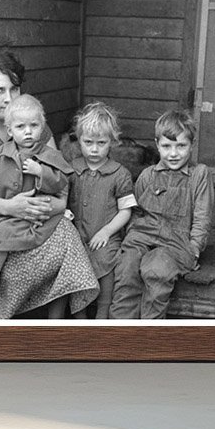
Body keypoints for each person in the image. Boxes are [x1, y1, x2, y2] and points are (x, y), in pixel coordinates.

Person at [0, 49, 98, 319]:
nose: (9, 98)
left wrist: (56, 205)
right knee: (11, 263)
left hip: (35, 210)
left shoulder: (33, 126)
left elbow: (55, 175)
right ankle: (4, 318)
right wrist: (10, 207)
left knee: (67, 235)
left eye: (14, 89)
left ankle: (67, 320)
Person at [0, 94, 74, 302]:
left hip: (29, 215)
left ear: (42, 127)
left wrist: (41, 172)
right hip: (4, 209)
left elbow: (61, 183)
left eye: (34, 126)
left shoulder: (49, 156)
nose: (28, 132)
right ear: (10, 130)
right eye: (20, 127)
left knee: (2, 232)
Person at [109, 109, 215, 320]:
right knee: (126, 268)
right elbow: (137, 212)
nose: (173, 154)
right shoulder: (147, 175)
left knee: (156, 270)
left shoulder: (199, 175)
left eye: (181, 146)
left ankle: (149, 340)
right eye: (166, 146)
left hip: (175, 243)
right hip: (142, 236)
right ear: (157, 145)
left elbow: (203, 216)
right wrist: (132, 239)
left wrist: (194, 247)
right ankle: (119, 337)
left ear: (191, 145)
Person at [67, 102, 136, 319]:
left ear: (112, 142)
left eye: (101, 143)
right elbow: (60, 199)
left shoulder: (119, 174)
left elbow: (125, 211)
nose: (94, 149)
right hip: (77, 235)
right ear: (79, 141)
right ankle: (80, 319)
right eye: (88, 143)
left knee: (108, 263)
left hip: (105, 235)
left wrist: (106, 232)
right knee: (75, 270)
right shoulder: (71, 169)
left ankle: (102, 317)